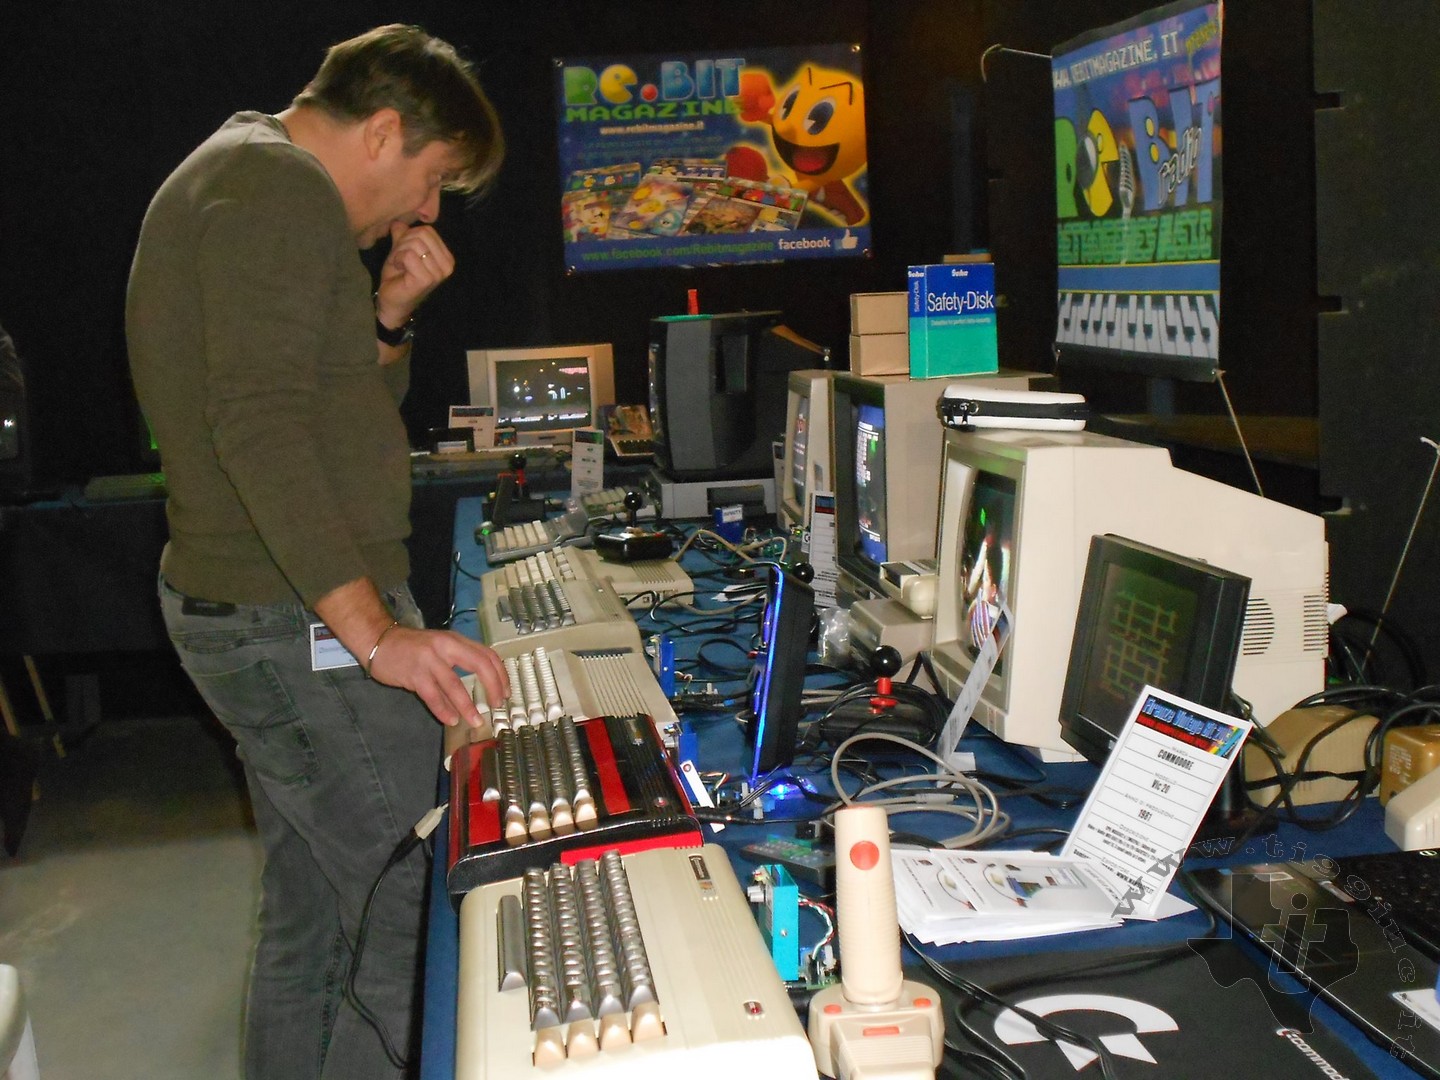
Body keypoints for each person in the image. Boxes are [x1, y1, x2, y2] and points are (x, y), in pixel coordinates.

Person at [125, 25, 508, 1080]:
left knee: (315, 922)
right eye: (432, 178)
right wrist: (378, 636)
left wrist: (388, 316)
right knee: (407, 920)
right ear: (381, 133)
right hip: (292, 616)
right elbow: (257, 430)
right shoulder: (277, 190)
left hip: (268, 610)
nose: (427, 210)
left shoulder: (244, 172)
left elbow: (324, 406)